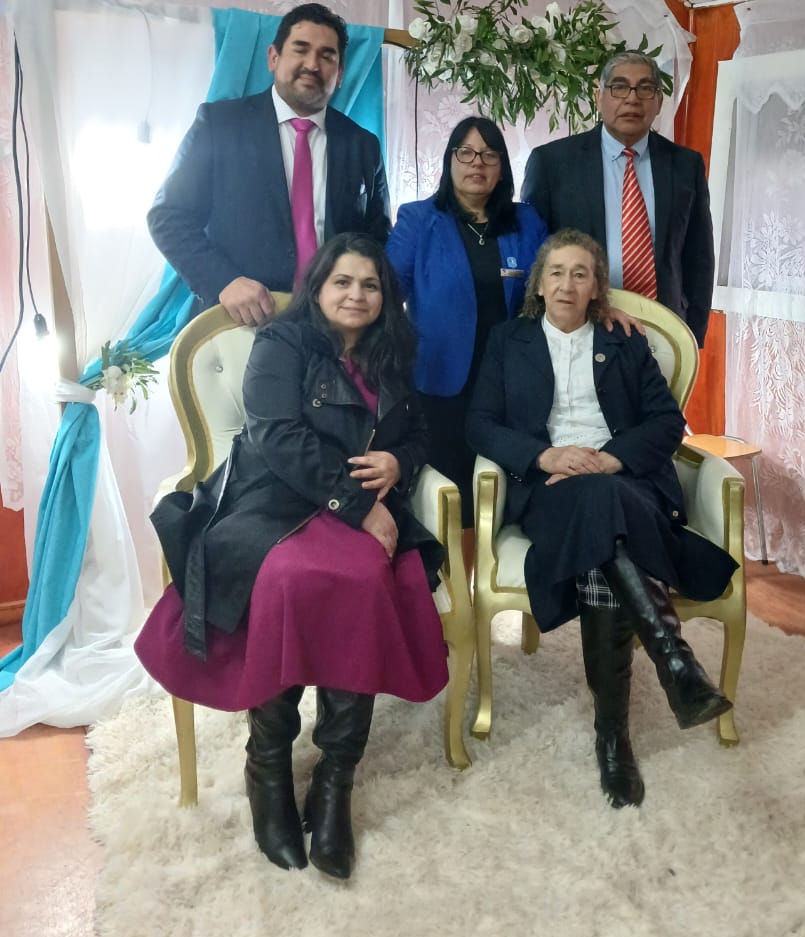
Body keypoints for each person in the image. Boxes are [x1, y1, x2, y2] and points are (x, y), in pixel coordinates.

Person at [136, 234, 447, 879]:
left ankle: (335, 779)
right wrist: (359, 507)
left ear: (384, 296)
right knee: (286, 576)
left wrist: (400, 461)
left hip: (358, 505)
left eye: (370, 285)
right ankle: (269, 767)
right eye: (343, 282)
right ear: (319, 288)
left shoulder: (391, 353)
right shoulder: (282, 341)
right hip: (273, 501)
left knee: (366, 576)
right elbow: (277, 437)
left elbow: (419, 433)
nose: (356, 295)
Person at [466, 229, 736, 810]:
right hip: (550, 489)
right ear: (539, 284)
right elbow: (480, 423)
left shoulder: (624, 341)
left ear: (596, 287)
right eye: (556, 272)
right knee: (601, 513)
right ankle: (673, 664)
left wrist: (611, 459)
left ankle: (613, 734)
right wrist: (546, 457)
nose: (567, 283)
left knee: (603, 514)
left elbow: (667, 423)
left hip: (626, 482)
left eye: (581, 273)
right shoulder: (509, 340)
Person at [148, 3, 390, 326]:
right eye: (300, 49)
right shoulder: (219, 125)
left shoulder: (363, 145)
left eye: (327, 56)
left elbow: (377, 239)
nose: (312, 64)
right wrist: (224, 281)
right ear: (273, 58)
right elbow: (168, 216)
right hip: (241, 323)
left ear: (341, 74)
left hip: (332, 329)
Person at [385, 116, 547, 524]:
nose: (478, 163)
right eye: (467, 153)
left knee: (504, 495)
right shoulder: (419, 219)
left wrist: (601, 305)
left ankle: (497, 557)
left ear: (502, 167)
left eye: (490, 155)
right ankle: (451, 562)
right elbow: (386, 295)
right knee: (451, 497)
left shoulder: (526, 222)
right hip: (440, 379)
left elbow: (558, 281)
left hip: (510, 381)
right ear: (450, 160)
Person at [521, 51, 715, 346]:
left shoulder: (685, 165)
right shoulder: (553, 163)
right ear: (598, 96)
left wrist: (691, 338)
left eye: (645, 88)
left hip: (663, 331)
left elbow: (699, 257)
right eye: (619, 87)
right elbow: (534, 255)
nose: (632, 99)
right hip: (577, 329)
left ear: (659, 101)